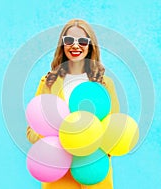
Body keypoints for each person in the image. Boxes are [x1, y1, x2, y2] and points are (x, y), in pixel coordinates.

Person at [26, 19, 120, 189]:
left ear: (91, 46)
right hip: (58, 174)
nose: (75, 46)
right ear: (62, 45)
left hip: (93, 171)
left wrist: (94, 147)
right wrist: (57, 137)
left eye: (83, 41)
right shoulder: (47, 82)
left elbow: (116, 131)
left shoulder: (104, 85)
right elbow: (31, 132)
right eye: (69, 40)